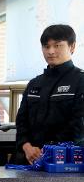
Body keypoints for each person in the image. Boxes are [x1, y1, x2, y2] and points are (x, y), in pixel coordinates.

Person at [15, 24, 84, 164]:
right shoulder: (34, 83)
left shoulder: (80, 80)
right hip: (28, 159)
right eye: (46, 46)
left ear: (72, 47)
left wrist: (48, 150)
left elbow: (78, 125)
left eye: (57, 45)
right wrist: (26, 146)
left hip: (64, 161)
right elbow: (21, 121)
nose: (51, 51)